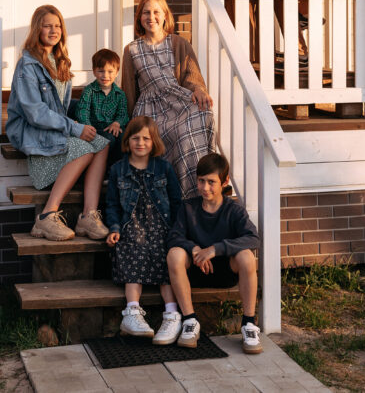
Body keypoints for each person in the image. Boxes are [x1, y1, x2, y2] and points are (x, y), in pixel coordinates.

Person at [6, 5, 110, 242]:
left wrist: (91, 109)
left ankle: (88, 216)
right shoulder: (28, 65)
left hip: (53, 128)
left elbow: (59, 106)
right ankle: (47, 217)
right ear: (37, 29)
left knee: (102, 144)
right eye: (47, 26)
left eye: (57, 25)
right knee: (84, 149)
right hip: (34, 133)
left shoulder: (57, 60)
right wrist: (74, 127)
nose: (54, 30)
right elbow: (36, 112)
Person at [166, 153, 262, 354]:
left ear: (224, 181)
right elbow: (173, 236)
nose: (205, 187)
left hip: (224, 272)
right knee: (175, 253)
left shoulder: (233, 210)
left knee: (247, 257)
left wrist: (215, 249)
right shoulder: (189, 207)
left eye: (211, 182)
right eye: (201, 181)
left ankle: (249, 324)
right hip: (193, 273)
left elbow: (253, 238)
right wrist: (194, 249)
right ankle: (190, 320)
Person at [121, 0, 214, 198]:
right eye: (146, 12)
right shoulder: (131, 49)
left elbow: (192, 75)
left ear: (165, 16)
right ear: (139, 17)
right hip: (149, 108)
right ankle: (170, 195)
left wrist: (198, 89)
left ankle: (193, 194)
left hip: (177, 100)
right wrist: (126, 122)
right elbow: (128, 88)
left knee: (197, 118)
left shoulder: (179, 43)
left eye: (156, 12)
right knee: (156, 132)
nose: (151, 17)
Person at [105, 116, 183, 343]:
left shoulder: (164, 168)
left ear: (154, 142)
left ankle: (171, 314)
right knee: (130, 247)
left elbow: (176, 201)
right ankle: (132, 312)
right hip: (131, 225)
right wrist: (114, 228)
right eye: (135, 138)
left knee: (165, 254)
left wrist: (178, 231)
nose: (140, 143)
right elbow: (111, 204)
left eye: (146, 139)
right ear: (127, 141)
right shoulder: (118, 170)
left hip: (161, 225)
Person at [76, 48, 129, 162]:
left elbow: (123, 113)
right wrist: (87, 127)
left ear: (117, 72)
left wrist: (117, 123)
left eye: (110, 71)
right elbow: (82, 111)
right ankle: (103, 167)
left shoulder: (119, 94)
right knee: (108, 139)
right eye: (101, 71)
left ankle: (118, 167)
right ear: (94, 71)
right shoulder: (89, 91)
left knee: (123, 136)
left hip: (113, 127)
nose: (105, 75)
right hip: (96, 129)